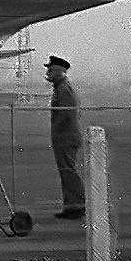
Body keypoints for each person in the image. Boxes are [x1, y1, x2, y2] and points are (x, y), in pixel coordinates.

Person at [46, 56, 86, 220]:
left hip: (66, 137)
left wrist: (56, 129)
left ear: (59, 71)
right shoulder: (60, 88)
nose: (48, 73)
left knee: (68, 170)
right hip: (64, 136)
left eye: (51, 69)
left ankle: (77, 205)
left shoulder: (63, 89)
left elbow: (66, 113)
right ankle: (71, 205)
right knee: (66, 170)